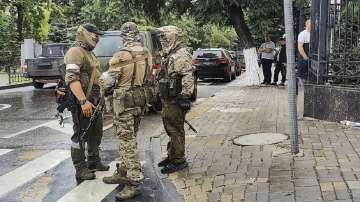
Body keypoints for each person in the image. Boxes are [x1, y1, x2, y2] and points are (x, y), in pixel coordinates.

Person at [100, 22, 151, 200]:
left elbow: (108, 82)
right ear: (137, 35)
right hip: (139, 101)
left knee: (127, 142)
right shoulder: (146, 54)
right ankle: (123, 171)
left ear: (123, 36)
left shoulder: (120, 55)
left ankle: (134, 181)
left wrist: (102, 82)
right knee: (128, 138)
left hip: (124, 104)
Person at [64, 23, 109, 183]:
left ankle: (93, 161)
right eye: (94, 34)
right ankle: (80, 169)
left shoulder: (89, 53)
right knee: (80, 135)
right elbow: (71, 78)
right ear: (84, 33)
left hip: (94, 101)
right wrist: (83, 101)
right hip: (82, 102)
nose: (97, 38)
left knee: (96, 133)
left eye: (98, 35)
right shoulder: (75, 51)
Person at [156, 26, 194, 174]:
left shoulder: (181, 54)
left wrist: (185, 95)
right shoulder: (170, 54)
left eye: (164, 38)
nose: (162, 41)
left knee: (175, 129)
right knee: (170, 128)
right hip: (169, 99)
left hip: (176, 99)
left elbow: (187, 75)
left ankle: (179, 160)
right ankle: (172, 155)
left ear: (172, 37)